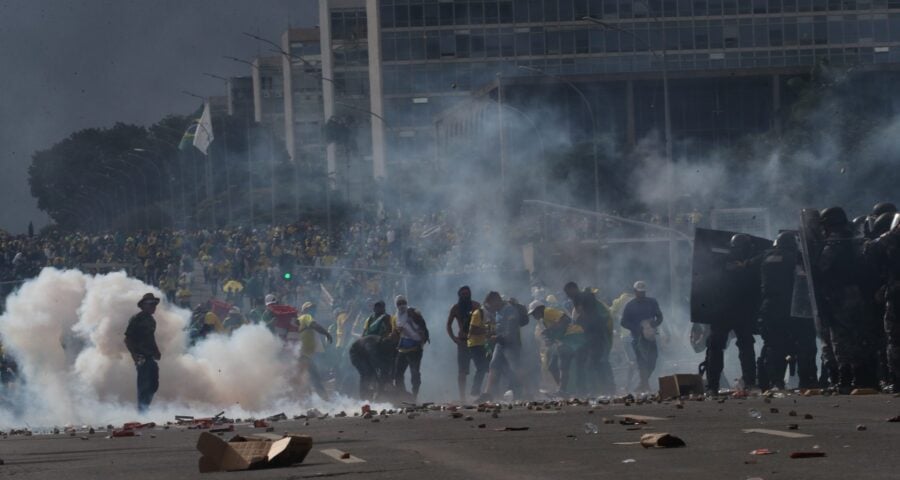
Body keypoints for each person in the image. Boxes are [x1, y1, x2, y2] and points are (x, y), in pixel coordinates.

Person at [818, 207, 876, 393]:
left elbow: (822, 267)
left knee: (840, 338)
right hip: (858, 292)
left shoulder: (834, 242)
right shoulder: (856, 238)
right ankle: (863, 377)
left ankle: (845, 379)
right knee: (859, 336)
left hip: (839, 295)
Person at [703, 234, 759, 394]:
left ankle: (713, 386)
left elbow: (708, 282)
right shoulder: (750, 264)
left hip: (722, 312)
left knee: (716, 347)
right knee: (745, 345)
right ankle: (749, 383)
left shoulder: (720, 262)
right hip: (741, 312)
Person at [564, 281, 614, 395]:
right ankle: (606, 388)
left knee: (592, 364)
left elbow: (582, 314)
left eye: (568, 292)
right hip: (596, 333)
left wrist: (579, 324)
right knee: (596, 363)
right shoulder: (588, 298)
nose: (567, 296)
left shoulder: (578, 298)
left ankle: (597, 390)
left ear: (573, 289)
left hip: (593, 334)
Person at [528, 299, 585, 396]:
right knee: (552, 366)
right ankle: (563, 390)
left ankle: (563, 390)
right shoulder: (544, 320)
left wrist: (550, 330)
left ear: (540, 309)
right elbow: (555, 333)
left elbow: (566, 319)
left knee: (563, 359)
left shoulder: (548, 311)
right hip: (565, 339)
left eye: (534, 313)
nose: (533, 316)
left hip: (573, 335)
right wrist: (549, 339)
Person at [480, 291, 526, 401]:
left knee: (516, 367)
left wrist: (498, 337)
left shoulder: (509, 309)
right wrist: (493, 334)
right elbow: (500, 327)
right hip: (501, 343)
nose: (490, 308)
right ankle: (488, 393)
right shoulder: (498, 312)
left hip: (512, 344)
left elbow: (512, 330)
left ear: (496, 300)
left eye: (491, 305)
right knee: (494, 365)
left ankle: (525, 391)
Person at [620, 281, 664, 393]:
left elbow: (659, 317)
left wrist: (652, 325)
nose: (641, 294)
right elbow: (623, 322)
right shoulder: (630, 305)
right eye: (639, 292)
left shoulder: (652, 302)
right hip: (637, 338)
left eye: (643, 292)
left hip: (651, 337)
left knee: (653, 361)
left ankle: (643, 384)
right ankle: (645, 385)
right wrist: (637, 328)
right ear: (635, 292)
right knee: (642, 362)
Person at [125, 293, 162, 412]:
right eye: (151, 304)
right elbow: (128, 339)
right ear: (143, 306)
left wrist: (156, 351)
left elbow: (151, 338)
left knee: (153, 384)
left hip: (150, 356)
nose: (154, 306)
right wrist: (134, 355)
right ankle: (142, 410)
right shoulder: (137, 319)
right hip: (141, 356)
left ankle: (145, 406)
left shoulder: (151, 321)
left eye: (154, 304)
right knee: (143, 385)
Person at [446, 286, 483, 401]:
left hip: (477, 342)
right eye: (463, 294)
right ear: (459, 296)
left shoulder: (476, 306)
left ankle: (477, 393)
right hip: (463, 343)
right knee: (462, 371)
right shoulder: (455, 308)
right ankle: (462, 397)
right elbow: (448, 325)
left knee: (481, 368)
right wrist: (454, 339)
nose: (465, 296)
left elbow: (485, 321)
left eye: (467, 294)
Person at [392, 295, 429, 400]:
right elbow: (395, 333)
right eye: (399, 303)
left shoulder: (413, 312)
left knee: (415, 373)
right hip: (402, 349)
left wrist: (422, 342)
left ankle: (414, 396)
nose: (401, 305)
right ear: (396, 305)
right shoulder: (395, 317)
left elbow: (423, 327)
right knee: (398, 374)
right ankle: (403, 395)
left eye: (403, 302)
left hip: (415, 349)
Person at [297, 302, 333, 399]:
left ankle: (305, 403)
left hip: (301, 355)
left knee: (306, 380)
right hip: (303, 355)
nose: (313, 311)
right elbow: (314, 325)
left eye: (313, 309)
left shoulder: (299, 320)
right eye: (310, 309)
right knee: (315, 379)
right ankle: (326, 401)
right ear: (304, 310)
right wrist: (326, 333)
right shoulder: (306, 317)